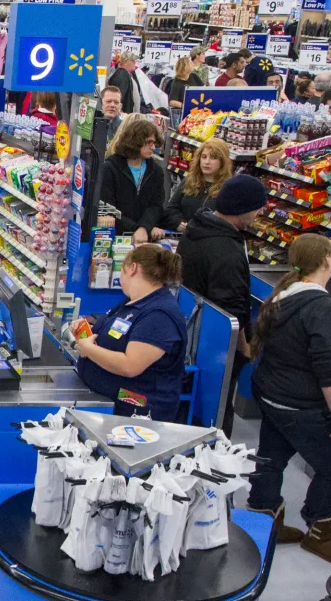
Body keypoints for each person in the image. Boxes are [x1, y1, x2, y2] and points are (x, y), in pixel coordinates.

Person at [244, 233, 331, 564]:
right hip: (302, 405)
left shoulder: (281, 297)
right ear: (326, 261)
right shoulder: (321, 308)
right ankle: (320, 532)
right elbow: (329, 370)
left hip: (272, 395)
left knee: (270, 458)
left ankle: (264, 519)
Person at [179, 174, 268, 437]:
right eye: (257, 207)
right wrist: (245, 350)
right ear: (241, 208)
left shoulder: (199, 227)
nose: (260, 212)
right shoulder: (225, 250)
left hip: (193, 331)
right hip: (215, 347)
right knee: (217, 415)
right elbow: (232, 310)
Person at [74, 244, 189, 421]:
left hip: (136, 417)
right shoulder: (135, 302)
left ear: (132, 267)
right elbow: (114, 338)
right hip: (111, 406)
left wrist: (88, 349)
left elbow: (130, 366)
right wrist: (85, 334)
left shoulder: (159, 315)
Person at [97, 116, 167, 244]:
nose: (153, 147)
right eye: (148, 142)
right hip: (115, 237)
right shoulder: (110, 168)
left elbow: (156, 205)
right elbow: (108, 207)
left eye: (154, 143)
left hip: (145, 237)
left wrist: (144, 227)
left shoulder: (156, 171)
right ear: (135, 142)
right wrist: (136, 229)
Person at [162, 138, 231, 233]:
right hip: (183, 237)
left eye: (213, 158)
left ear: (223, 162)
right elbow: (171, 208)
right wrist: (178, 222)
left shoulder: (228, 188)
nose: (207, 162)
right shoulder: (189, 180)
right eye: (204, 157)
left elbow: (227, 223)